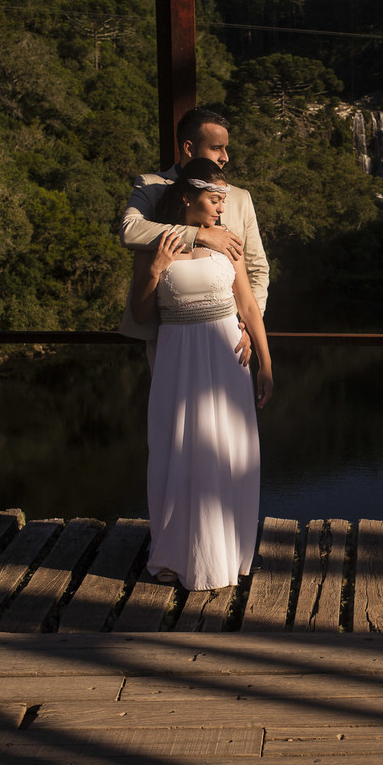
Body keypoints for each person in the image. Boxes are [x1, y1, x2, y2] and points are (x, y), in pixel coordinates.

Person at [130, 158, 274, 591]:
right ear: (188, 197)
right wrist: (155, 271)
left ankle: (227, 553)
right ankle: (176, 553)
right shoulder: (160, 243)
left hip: (227, 358)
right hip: (177, 357)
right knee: (177, 447)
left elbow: (248, 305)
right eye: (214, 200)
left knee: (227, 451)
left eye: (223, 201)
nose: (220, 209)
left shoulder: (227, 241)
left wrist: (266, 362)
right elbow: (140, 314)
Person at [120, 108, 269, 369]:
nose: (225, 157)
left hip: (230, 337)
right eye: (216, 148)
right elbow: (130, 230)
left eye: (226, 148)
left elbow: (257, 268)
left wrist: (247, 328)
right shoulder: (152, 185)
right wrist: (201, 235)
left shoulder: (240, 197)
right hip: (169, 335)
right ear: (188, 148)